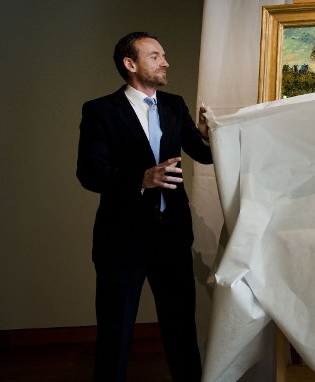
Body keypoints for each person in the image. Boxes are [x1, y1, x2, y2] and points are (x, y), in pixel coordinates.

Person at [77, 32, 213, 381]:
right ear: (130, 64)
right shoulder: (100, 111)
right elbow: (89, 172)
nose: (165, 61)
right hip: (121, 239)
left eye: (163, 55)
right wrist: (141, 178)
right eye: (155, 56)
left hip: (172, 236)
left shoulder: (173, 105)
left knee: (181, 328)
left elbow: (204, 155)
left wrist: (210, 137)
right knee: (116, 331)